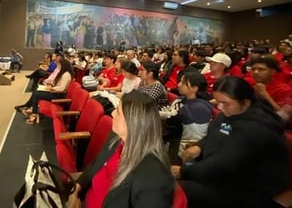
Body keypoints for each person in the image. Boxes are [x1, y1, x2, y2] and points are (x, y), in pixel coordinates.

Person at [171, 76, 288, 208]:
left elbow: (224, 163)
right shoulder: (230, 114)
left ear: (245, 102)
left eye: (225, 103)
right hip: (220, 176)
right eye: (218, 101)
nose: (219, 107)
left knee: (175, 189)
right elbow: (216, 132)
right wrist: (199, 146)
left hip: (246, 189)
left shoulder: (257, 128)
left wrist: (183, 172)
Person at [68, 90, 175, 207]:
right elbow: (95, 164)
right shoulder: (117, 138)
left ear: (133, 123)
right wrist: (77, 188)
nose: (113, 113)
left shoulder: (154, 178)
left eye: (118, 112)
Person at [19, 58, 74, 124]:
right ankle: (33, 110)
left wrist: (51, 88)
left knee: (36, 94)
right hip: (55, 92)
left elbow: (61, 88)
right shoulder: (63, 73)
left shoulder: (66, 74)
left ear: (63, 65)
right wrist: (52, 85)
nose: (57, 66)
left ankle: (34, 113)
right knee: (36, 92)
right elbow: (59, 84)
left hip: (58, 94)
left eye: (59, 65)